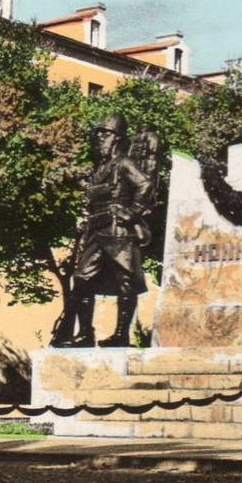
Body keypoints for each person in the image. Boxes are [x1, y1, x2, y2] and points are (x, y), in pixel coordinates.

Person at [52, 115, 155, 348]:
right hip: (96, 230)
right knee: (81, 279)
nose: (99, 138)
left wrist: (133, 211)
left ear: (117, 139)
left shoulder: (124, 164)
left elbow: (146, 185)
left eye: (105, 134)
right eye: (97, 134)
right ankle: (86, 334)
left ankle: (121, 335)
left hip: (118, 231)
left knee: (125, 284)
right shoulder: (99, 168)